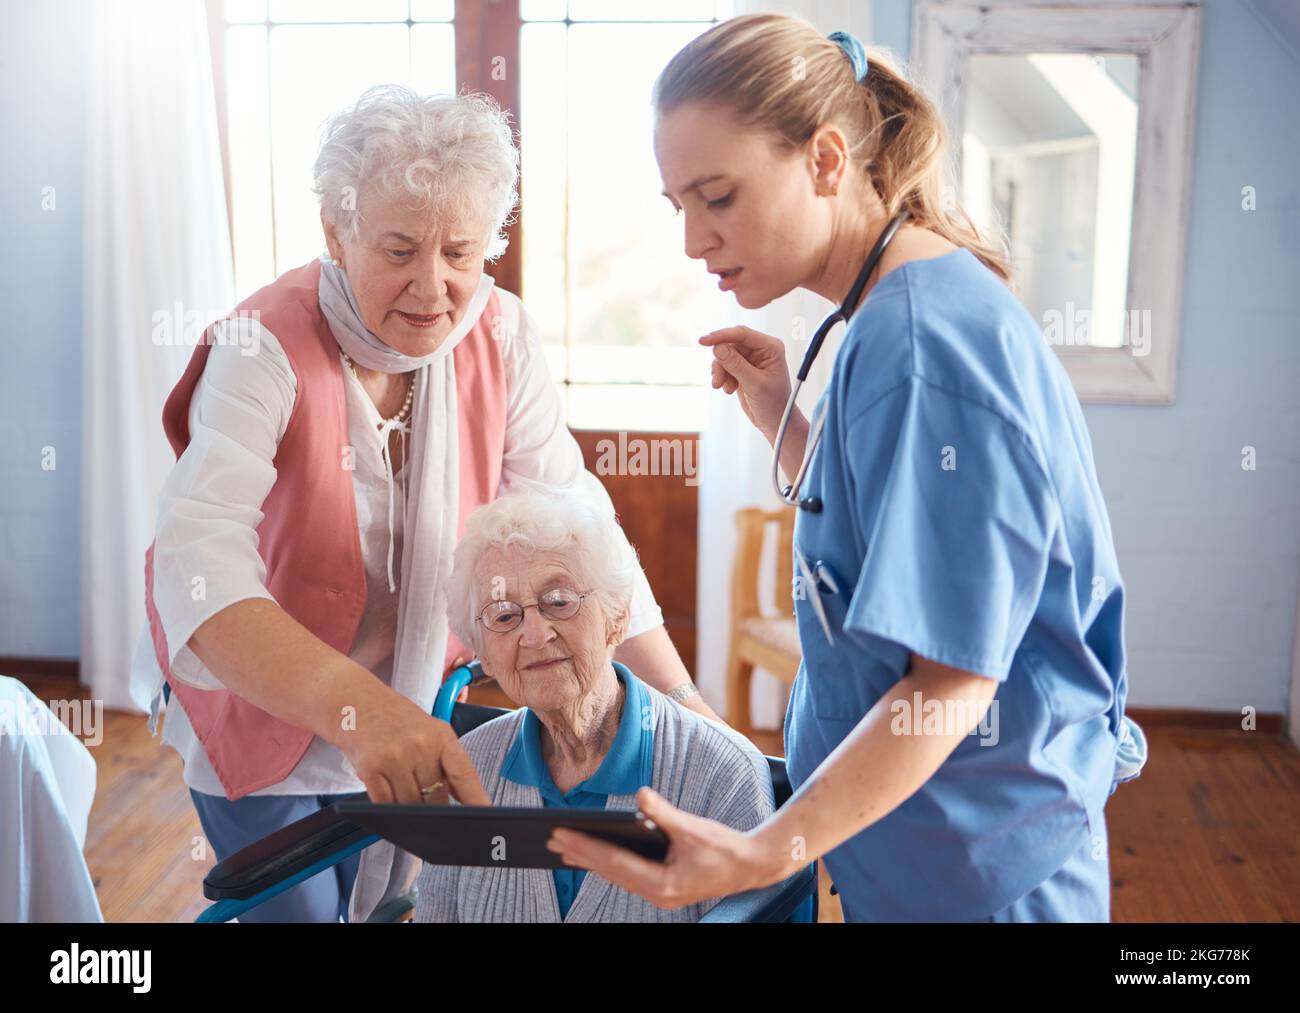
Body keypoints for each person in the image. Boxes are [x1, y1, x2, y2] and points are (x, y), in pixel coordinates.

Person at [548, 15, 1144, 922]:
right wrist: (786, 421)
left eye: (718, 196)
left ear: (826, 160)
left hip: (978, 867)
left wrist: (760, 853)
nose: (693, 241)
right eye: (679, 206)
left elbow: (953, 679)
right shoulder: (900, 311)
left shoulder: (919, 347)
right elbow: (894, 535)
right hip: (929, 846)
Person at [130, 85, 714, 923]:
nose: (433, 287)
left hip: (419, 712)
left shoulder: (502, 333)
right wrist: (361, 713)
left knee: (390, 911)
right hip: (267, 708)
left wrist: (690, 713)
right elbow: (197, 573)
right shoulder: (261, 346)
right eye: (399, 248)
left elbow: (582, 528)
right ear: (337, 231)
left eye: (460, 253)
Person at [414, 492, 773, 922]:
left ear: (618, 616)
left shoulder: (723, 776)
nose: (534, 634)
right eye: (505, 615)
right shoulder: (466, 774)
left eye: (560, 601)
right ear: (484, 655)